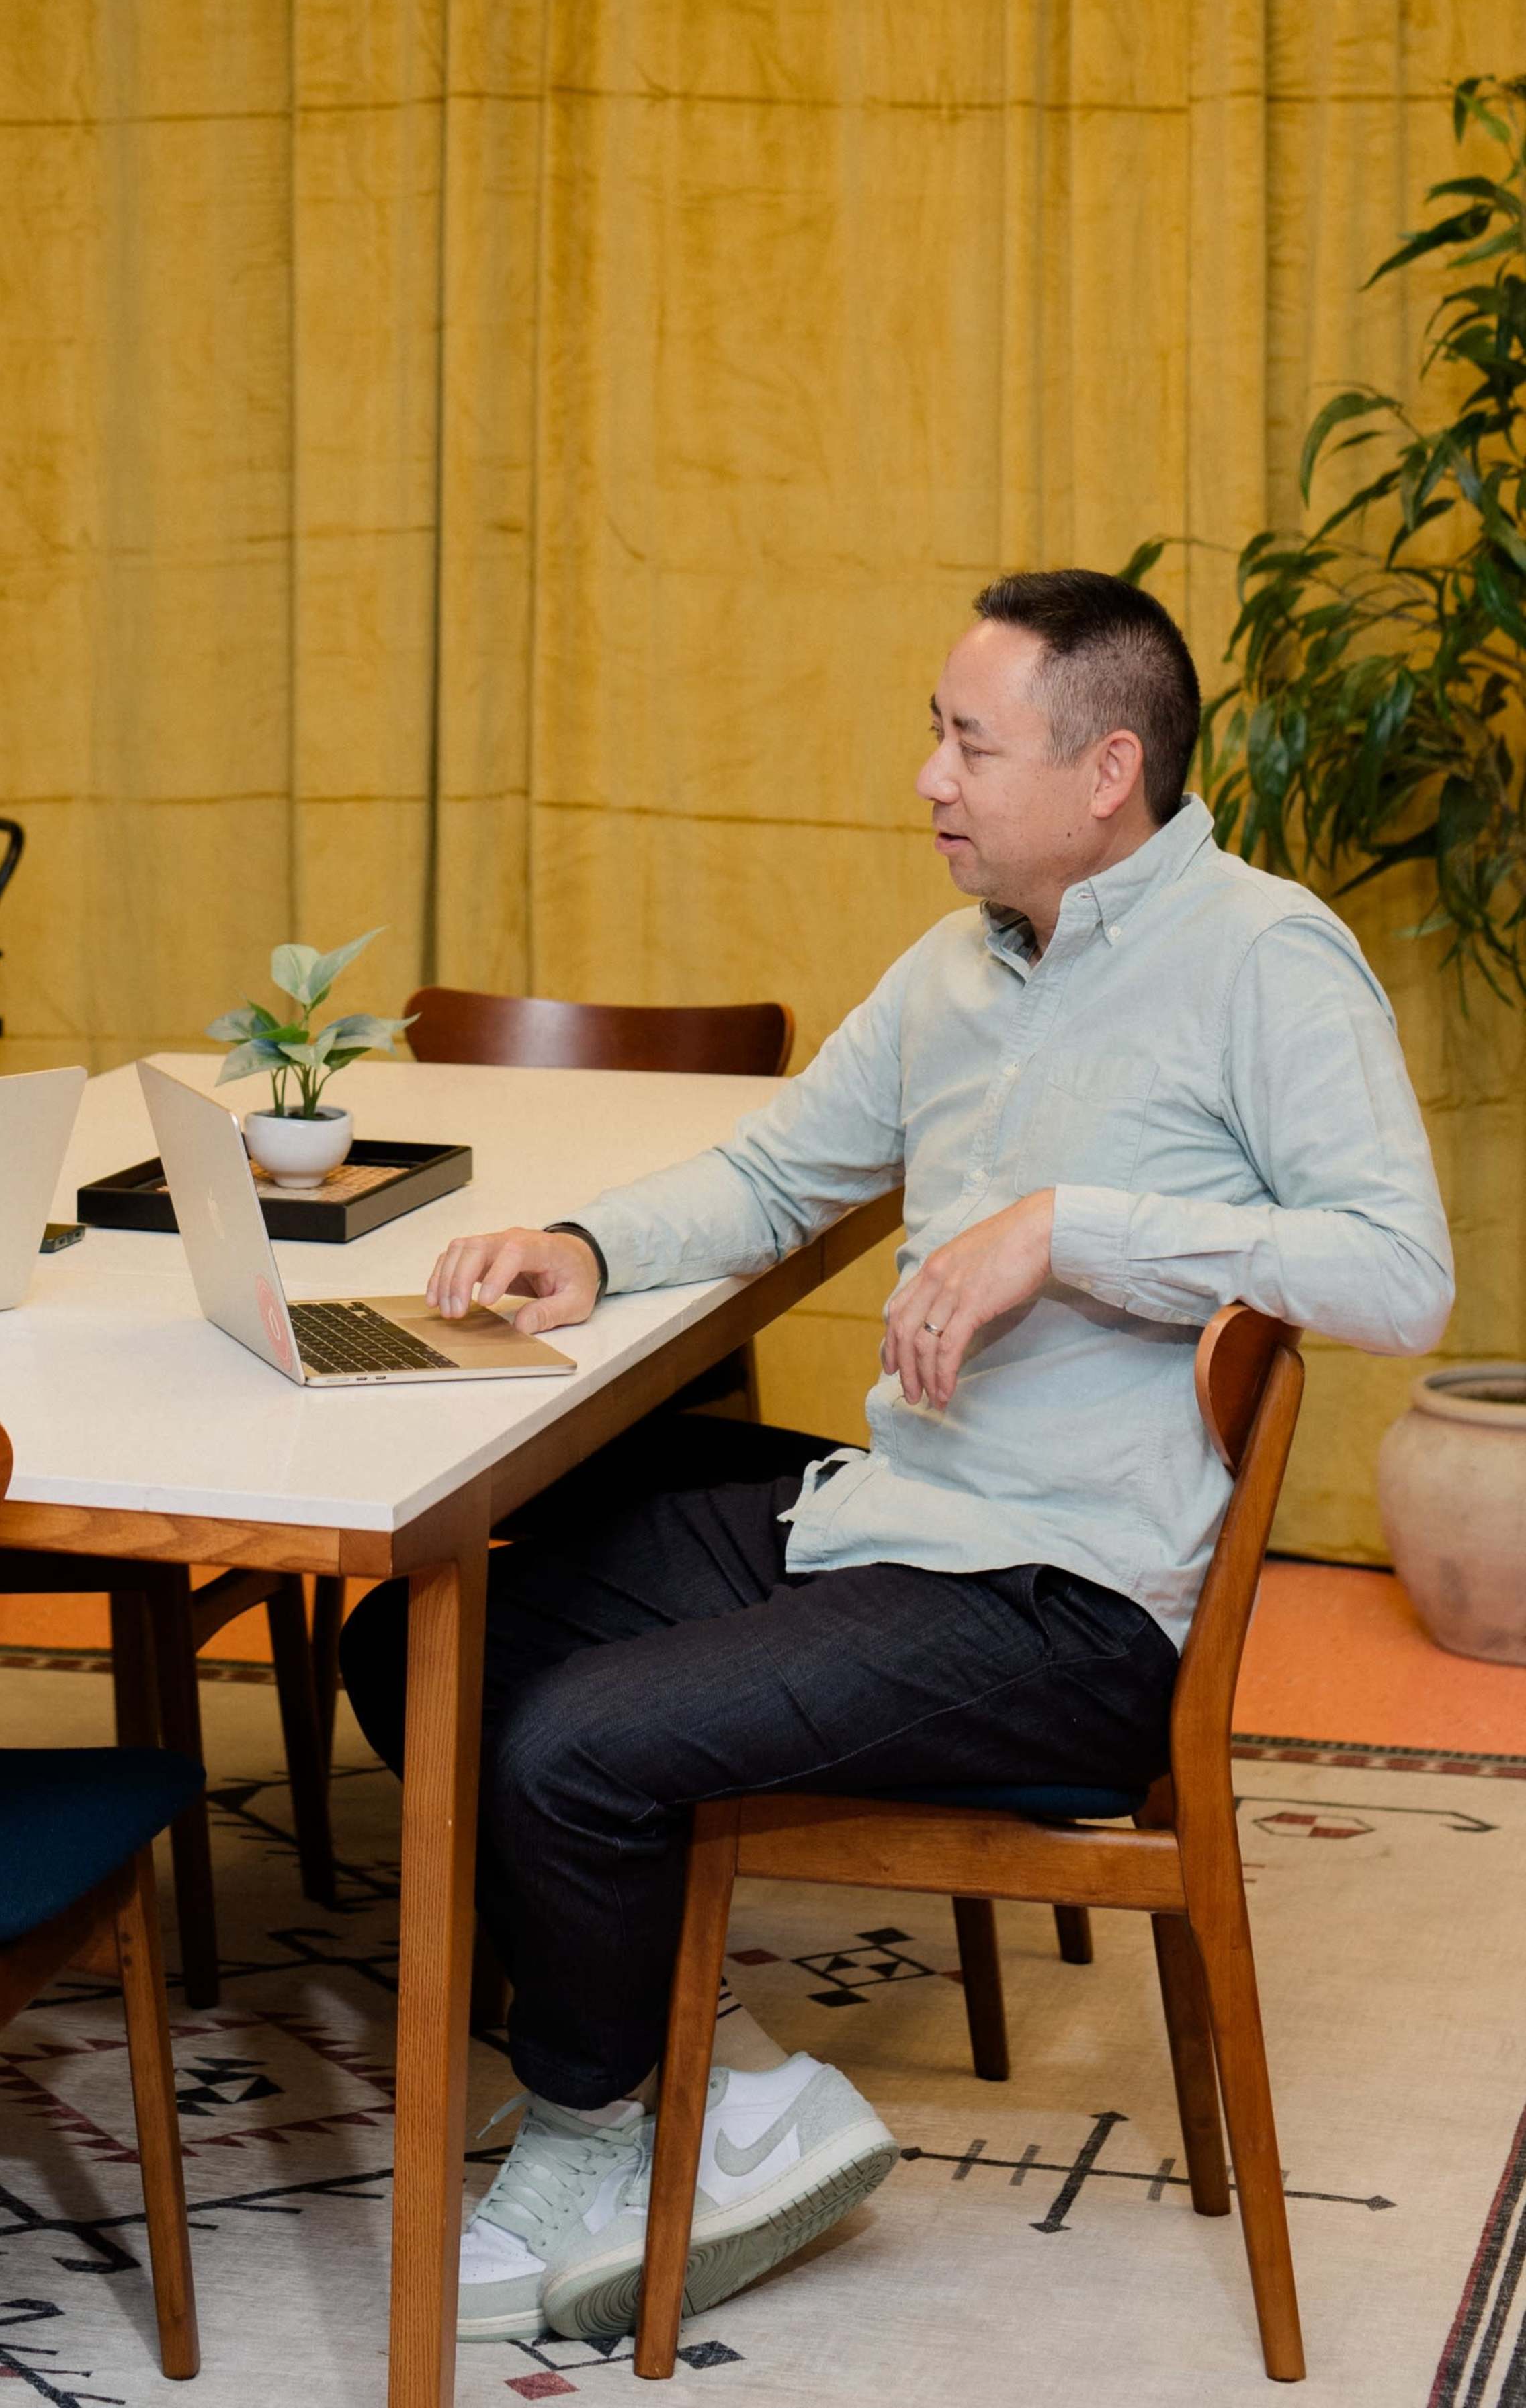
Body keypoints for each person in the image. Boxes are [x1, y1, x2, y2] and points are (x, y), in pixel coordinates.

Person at [343, 567, 1455, 2351]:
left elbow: (1401, 1272)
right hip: (898, 1513)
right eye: (936, 734)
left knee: (572, 1744)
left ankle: (593, 2133)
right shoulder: (959, 965)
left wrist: (1068, 1227)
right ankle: (716, 2076)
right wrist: (586, 1244)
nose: (930, 777)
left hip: (1071, 1594)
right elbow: (779, 1171)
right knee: (422, 1634)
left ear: (1107, 769)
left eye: (969, 743)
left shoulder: (1263, 955)